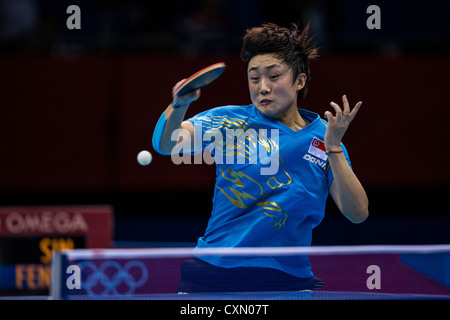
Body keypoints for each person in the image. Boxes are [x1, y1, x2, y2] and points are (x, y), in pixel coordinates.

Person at [152, 22, 369, 293]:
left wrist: (334, 147)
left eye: (274, 76)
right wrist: (178, 105)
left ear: (300, 80)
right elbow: (165, 144)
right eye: (254, 78)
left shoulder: (325, 140)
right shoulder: (228, 121)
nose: (262, 87)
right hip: (214, 272)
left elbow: (358, 213)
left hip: (287, 278)